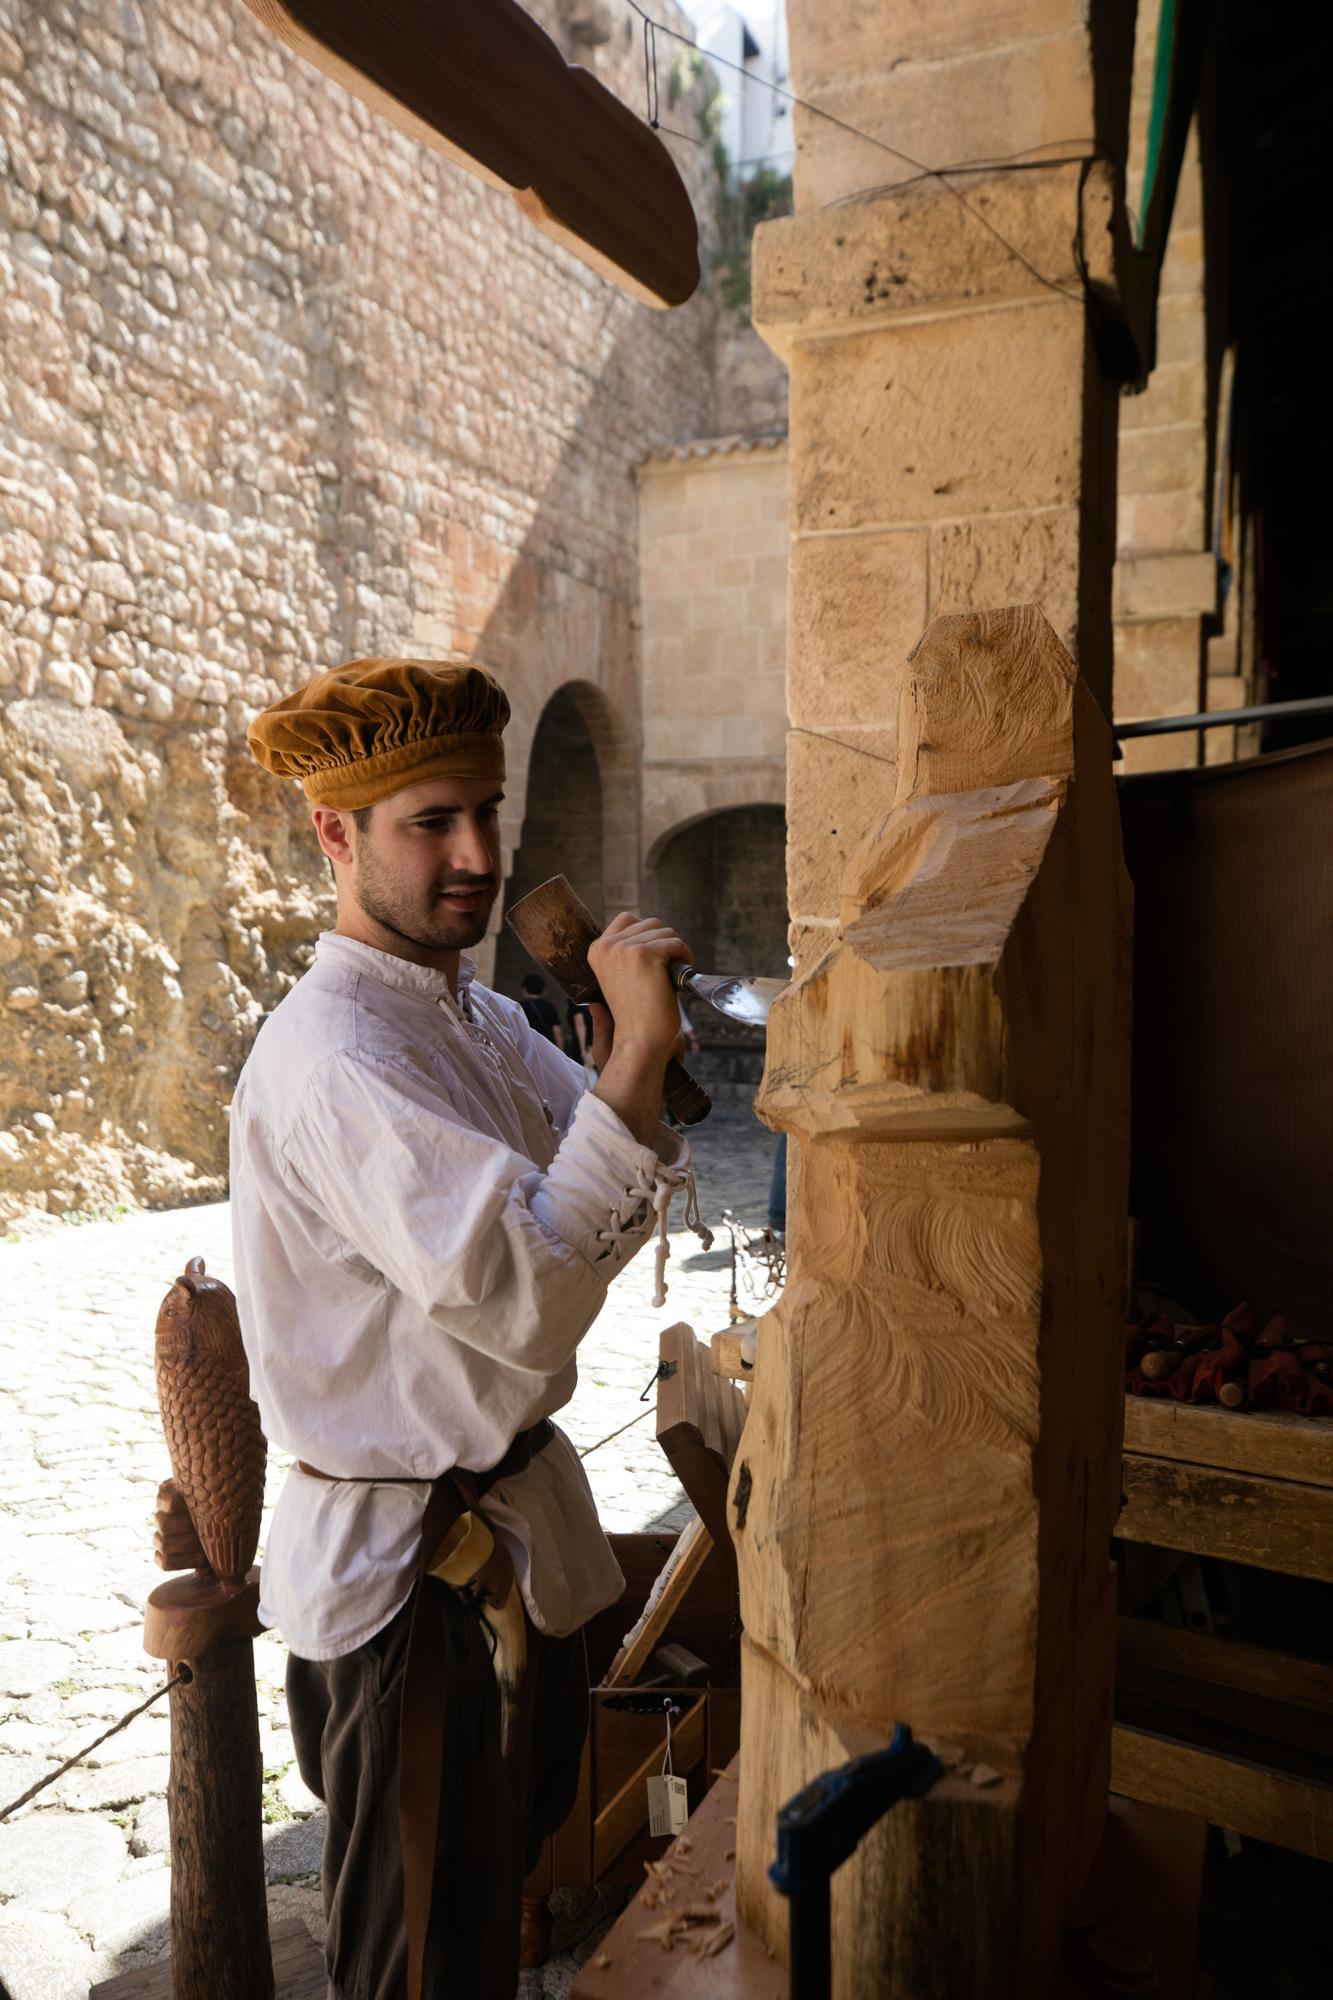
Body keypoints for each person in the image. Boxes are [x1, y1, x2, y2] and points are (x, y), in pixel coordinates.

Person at [231, 657, 700, 2000]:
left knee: (493, 1918)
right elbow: (535, 1287)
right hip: (405, 1596)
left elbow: (626, 1170)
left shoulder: (474, 1016)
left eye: (485, 815)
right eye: (429, 823)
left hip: (499, 1540)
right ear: (336, 834)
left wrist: (633, 1070)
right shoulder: (336, 1060)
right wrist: (624, 1075)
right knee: (421, 1965)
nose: (478, 855)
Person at [519, 971, 564, 1050]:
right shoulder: (549, 1006)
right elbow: (557, 1032)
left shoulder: (520, 1006)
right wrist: (561, 1052)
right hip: (546, 1048)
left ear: (525, 988)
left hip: (527, 1048)